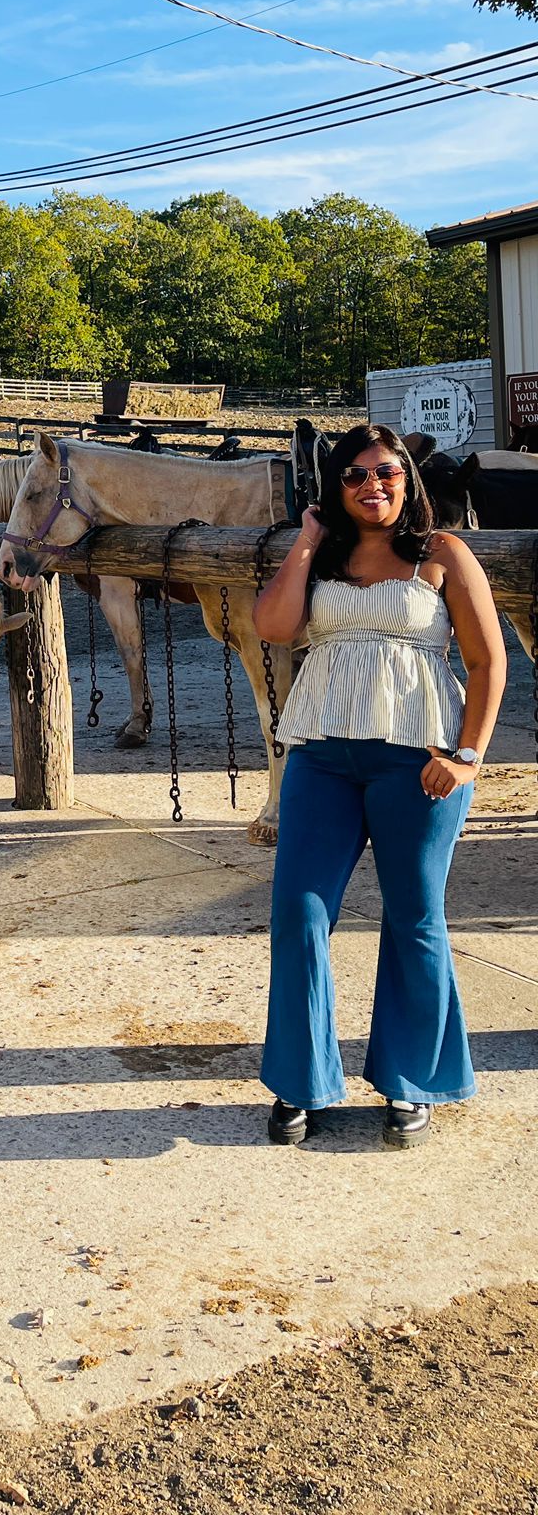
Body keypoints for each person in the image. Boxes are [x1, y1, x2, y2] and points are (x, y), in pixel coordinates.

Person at [252, 423, 507, 1149]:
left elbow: (489, 665)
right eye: (356, 476)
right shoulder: (324, 557)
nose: (374, 486)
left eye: (386, 473)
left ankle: (412, 1081)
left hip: (419, 759)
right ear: (338, 488)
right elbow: (274, 627)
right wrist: (304, 540)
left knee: (414, 917)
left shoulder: (444, 555)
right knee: (298, 915)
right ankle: (301, 1083)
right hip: (323, 758)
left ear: (408, 479)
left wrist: (467, 756)